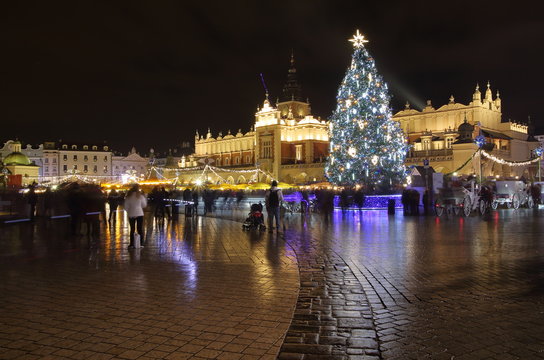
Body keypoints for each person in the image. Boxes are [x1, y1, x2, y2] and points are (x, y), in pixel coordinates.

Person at [124, 184, 147, 249]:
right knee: (140, 229)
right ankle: (141, 243)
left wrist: (130, 211)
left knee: (132, 229)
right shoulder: (140, 196)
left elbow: (126, 207)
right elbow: (144, 205)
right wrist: (139, 207)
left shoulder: (128, 197)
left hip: (131, 214)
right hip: (139, 213)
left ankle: (131, 244)